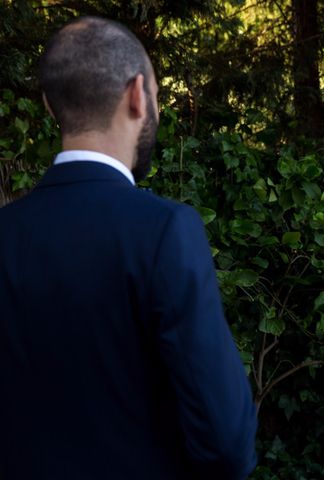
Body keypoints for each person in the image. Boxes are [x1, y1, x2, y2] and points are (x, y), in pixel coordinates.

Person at [0, 16, 257, 480]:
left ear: (49, 104)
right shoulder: (165, 231)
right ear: (138, 95)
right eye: (157, 97)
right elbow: (227, 444)